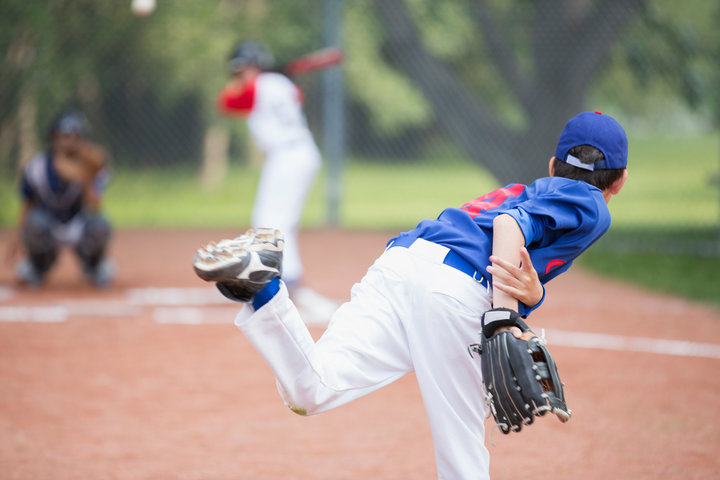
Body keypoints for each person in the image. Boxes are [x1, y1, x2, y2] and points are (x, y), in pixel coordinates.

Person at [192, 111, 629, 479]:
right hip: (456, 289)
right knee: (463, 458)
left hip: (405, 261)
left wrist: (531, 295)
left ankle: (264, 289)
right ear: (620, 181)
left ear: (552, 164)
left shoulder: (529, 187)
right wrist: (503, 315)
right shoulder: (592, 203)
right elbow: (510, 227)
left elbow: (510, 227)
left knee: (312, 389)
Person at [216, 40, 338, 321]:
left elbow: (227, 101)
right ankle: (286, 279)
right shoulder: (279, 83)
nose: (240, 75)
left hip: (288, 157)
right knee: (274, 220)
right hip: (298, 154)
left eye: (243, 69)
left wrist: (250, 82)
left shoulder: (258, 86)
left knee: (270, 220)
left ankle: (292, 282)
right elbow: (295, 96)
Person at [9, 109, 114, 288]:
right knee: (35, 225)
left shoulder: (90, 168)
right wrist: (18, 237)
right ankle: (37, 266)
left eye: (76, 136)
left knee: (100, 226)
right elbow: (27, 204)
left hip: (77, 223)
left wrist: (85, 178)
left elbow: (95, 206)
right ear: (54, 138)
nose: (70, 141)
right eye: (65, 136)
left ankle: (94, 266)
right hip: (49, 223)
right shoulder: (37, 167)